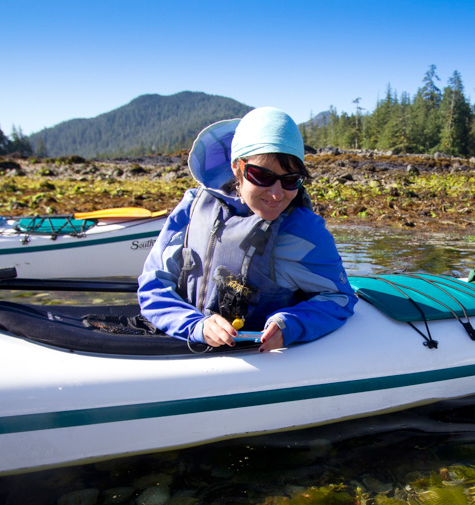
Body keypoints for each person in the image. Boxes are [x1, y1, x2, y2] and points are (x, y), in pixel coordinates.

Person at [138, 107, 357, 353]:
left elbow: (340, 298)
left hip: (255, 355)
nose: (276, 194)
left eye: (290, 179)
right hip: (182, 342)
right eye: (262, 176)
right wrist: (195, 325)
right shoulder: (192, 207)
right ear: (237, 167)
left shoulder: (305, 231)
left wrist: (291, 324)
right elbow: (152, 287)